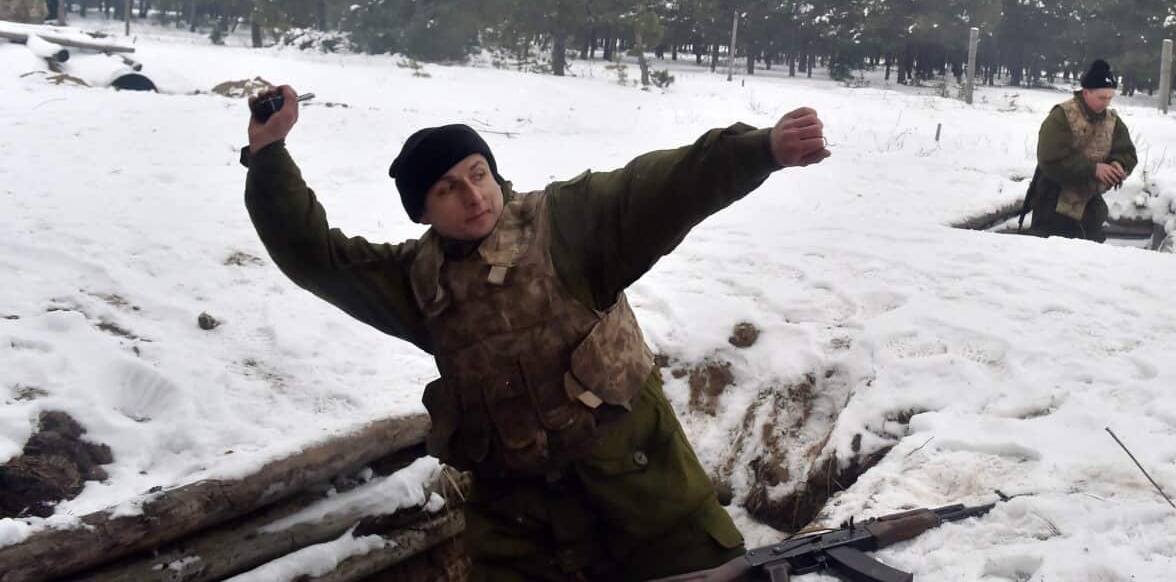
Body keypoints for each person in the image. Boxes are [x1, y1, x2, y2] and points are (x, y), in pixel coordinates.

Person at [241, 86, 830, 581]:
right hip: (522, 530)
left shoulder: (568, 222)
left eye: (478, 174)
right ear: (422, 212)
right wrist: (269, 155)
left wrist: (762, 149)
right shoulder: (416, 282)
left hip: (649, 499)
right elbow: (317, 256)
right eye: (448, 189)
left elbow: (662, 184)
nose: (474, 196)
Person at [1020, 59, 1138, 243]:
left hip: (1090, 209)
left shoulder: (1113, 121)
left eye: (1109, 98)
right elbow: (1050, 159)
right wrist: (1093, 169)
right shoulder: (1061, 116)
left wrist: (1118, 164)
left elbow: (1127, 153)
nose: (1106, 103)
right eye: (1101, 98)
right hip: (1052, 206)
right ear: (1086, 92)